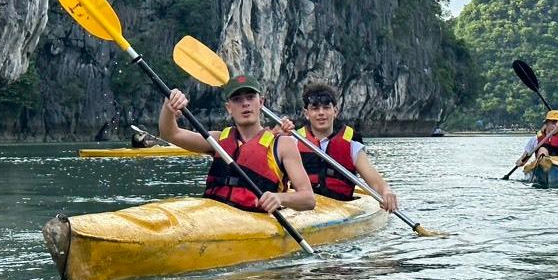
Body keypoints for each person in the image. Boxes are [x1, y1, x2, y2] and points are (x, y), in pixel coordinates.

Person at [159, 74, 315, 213]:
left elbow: (308, 199)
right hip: (213, 215)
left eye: (250, 97)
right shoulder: (217, 140)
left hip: (254, 221)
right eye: (237, 99)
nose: (245, 103)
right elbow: (171, 134)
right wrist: (168, 107)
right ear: (229, 108)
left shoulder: (282, 145)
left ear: (261, 102)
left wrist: (280, 198)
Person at [278, 81, 398, 212]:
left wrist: (386, 191)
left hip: (339, 208)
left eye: (326, 108)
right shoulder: (291, 142)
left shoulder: (352, 146)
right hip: (301, 209)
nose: (321, 113)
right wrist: (277, 136)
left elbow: (375, 182)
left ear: (335, 111)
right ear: (306, 113)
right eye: (315, 108)